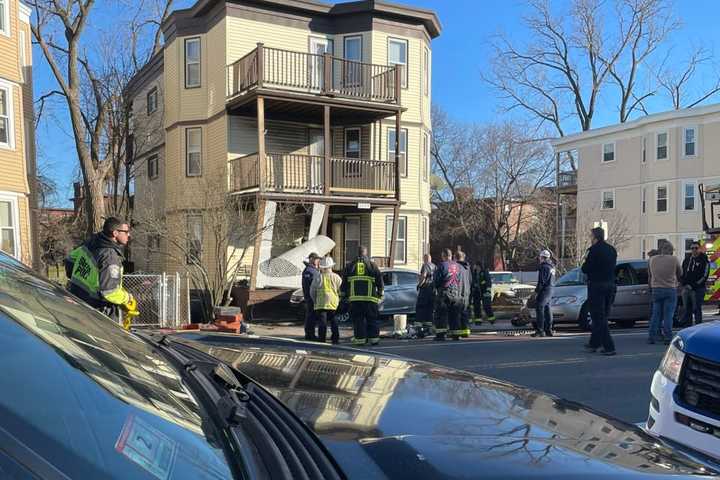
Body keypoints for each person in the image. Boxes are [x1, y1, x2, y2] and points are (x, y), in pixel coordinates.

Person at [65, 217, 138, 326]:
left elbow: (70, 259)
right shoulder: (109, 256)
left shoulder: (91, 243)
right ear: (115, 233)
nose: (129, 235)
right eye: (126, 232)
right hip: (97, 312)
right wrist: (127, 298)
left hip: (78, 301)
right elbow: (110, 292)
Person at [581, 227, 618, 355]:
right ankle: (594, 343)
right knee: (603, 316)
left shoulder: (593, 250)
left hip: (597, 285)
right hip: (610, 284)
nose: (590, 239)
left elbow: (585, 268)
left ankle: (609, 346)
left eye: (591, 236)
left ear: (595, 237)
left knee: (598, 316)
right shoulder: (612, 249)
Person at [342, 246, 384, 345]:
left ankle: (360, 340)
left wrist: (344, 296)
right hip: (370, 299)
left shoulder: (350, 266)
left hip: (355, 300)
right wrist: (380, 293)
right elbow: (379, 280)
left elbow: (344, 283)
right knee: (372, 319)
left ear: (358, 253)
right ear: (366, 253)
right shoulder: (372, 265)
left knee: (358, 320)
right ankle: (373, 339)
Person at [649, 241, 682, 344]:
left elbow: (650, 274)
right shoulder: (674, 259)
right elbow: (680, 272)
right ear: (670, 250)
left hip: (656, 289)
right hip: (669, 289)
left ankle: (652, 337)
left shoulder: (652, 259)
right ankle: (668, 337)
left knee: (655, 314)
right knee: (668, 315)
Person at [310, 256, 342, 344]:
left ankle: (322, 339)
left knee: (322, 323)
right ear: (331, 266)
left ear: (322, 267)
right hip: (333, 304)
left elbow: (312, 291)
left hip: (320, 304)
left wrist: (315, 301)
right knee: (334, 322)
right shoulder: (336, 277)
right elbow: (341, 290)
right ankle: (335, 339)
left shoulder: (318, 277)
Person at [433, 248, 463, 341]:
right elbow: (460, 280)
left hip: (444, 293)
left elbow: (437, 280)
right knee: (454, 315)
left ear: (444, 255)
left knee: (441, 314)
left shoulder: (442, 265)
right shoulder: (458, 266)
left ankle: (441, 334)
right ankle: (455, 334)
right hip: (456, 293)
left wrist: (437, 288)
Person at [681, 241, 710, 326]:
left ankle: (698, 327)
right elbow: (683, 273)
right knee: (687, 310)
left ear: (699, 249)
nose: (694, 250)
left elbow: (705, 276)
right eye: (692, 248)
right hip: (686, 289)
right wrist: (684, 284)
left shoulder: (704, 260)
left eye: (696, 248)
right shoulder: (687, 260)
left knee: (697, 309)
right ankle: (688, 327)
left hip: (698, 289)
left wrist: (693, 286)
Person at [533, 249, 555, 337]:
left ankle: (540, 330)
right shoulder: (552, 266)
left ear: (542, 257)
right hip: (551, 289)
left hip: (545, 290)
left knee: (539, 307)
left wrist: (536, 292)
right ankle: (548, 330)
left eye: (540, 257)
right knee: (547, 309)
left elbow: (541, 281)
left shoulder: (544, 266)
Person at [415, 254, 436, 337]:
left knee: (420, 308)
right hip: (432, 291)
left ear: (425, 259)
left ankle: (419, 329)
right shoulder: (435, 266)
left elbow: (423, 276)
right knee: (429, 310)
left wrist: (419, 284)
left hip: (425, 289)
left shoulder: (425, 265)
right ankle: (428, 329)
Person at [302, 252, 321, 341]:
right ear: (311, 259)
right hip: (310, 297)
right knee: (310, 316)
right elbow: (309, 286)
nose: (318, 261)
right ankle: (310, 335)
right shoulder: (309, 271)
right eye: (316, 259)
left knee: (312, 316)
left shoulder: (313, 270)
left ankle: (310, 334)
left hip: (313, 297)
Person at [471, 260, 495, 325]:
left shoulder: (484, 272)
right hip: (476, 292)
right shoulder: (474, 273)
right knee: (476, 307)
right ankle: (478, 321)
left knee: (486, 306)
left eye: (475, 265)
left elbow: (488, 281)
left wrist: (488, 290)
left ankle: (492, 319)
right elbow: (472, 281)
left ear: (478, 266)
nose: (474, 267)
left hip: (485, 291)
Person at [456, 251, 472, 338]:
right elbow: (470, 280)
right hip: (466, 293)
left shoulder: (456, 267)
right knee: (465, 313)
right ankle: (465, 331)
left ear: (455, 257)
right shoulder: (467, 267)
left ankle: (457, 332)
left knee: (456, 313)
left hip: (458, 292)